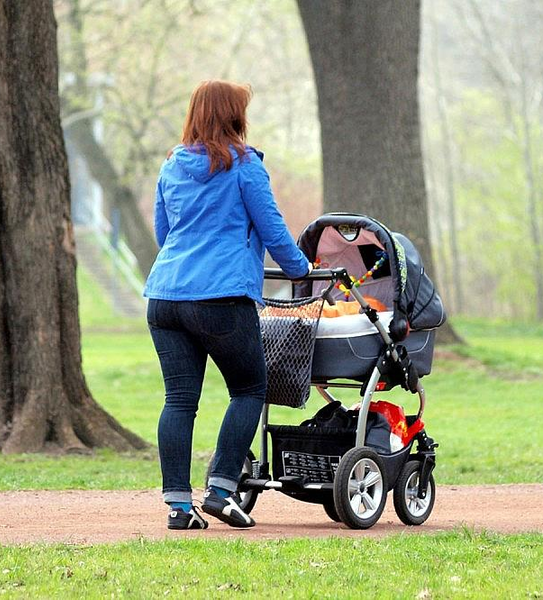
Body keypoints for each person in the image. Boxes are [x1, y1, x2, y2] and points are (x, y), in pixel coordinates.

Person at [144, 80, 311, 530]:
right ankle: (220, 490)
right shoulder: (245, 166)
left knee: (179, 400)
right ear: (234, 115)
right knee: (249, 389)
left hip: (165, 296)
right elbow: (273, 231)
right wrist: (301, 270)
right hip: (220, 298)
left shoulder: (172, 165)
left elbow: (164, 233)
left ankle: (179, 508)